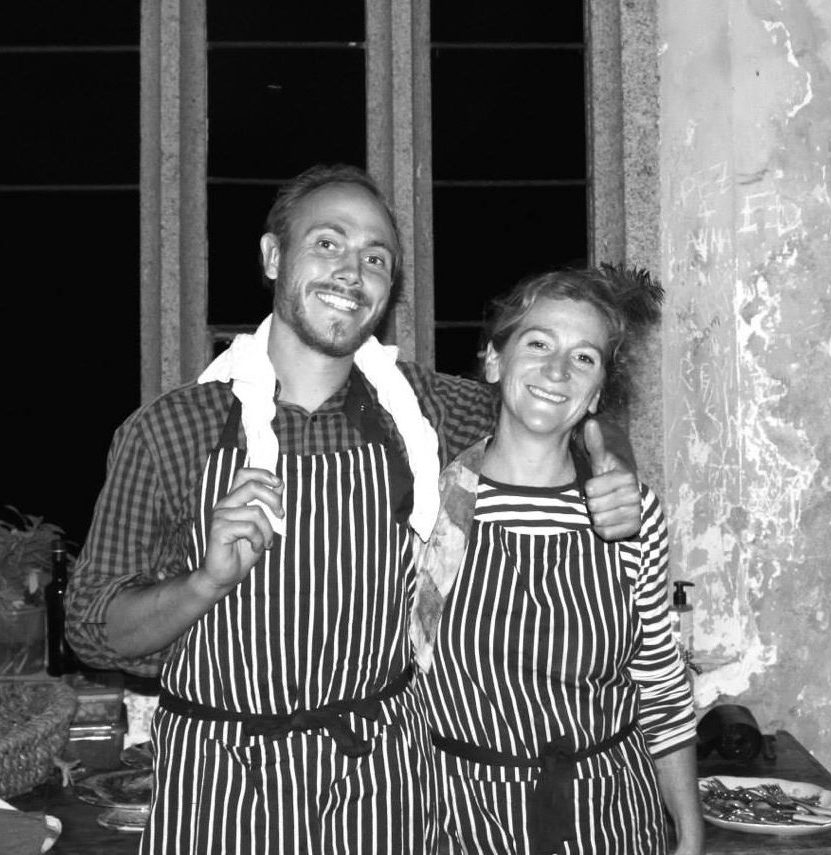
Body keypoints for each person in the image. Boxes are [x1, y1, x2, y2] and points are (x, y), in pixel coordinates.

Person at [66, 164, 642, 855]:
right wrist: (204, 583)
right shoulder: (172, 430)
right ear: (273, 256)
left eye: (376, 258)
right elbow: (94, 631)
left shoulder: (427, 412)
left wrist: (610, 459)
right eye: (327, 244)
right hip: (220, 778)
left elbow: (548, 398)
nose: (351, 271)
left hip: (378, 782)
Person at [412, 267, 704, 854]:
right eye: (539, 343)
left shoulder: (629, 513)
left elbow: (660, 683)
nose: (557, 370)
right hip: (462, 819)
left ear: (596, 394)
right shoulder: (430, 507)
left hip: (611, 817)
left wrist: (691, 835)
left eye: (584, 358)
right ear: (494, 361)